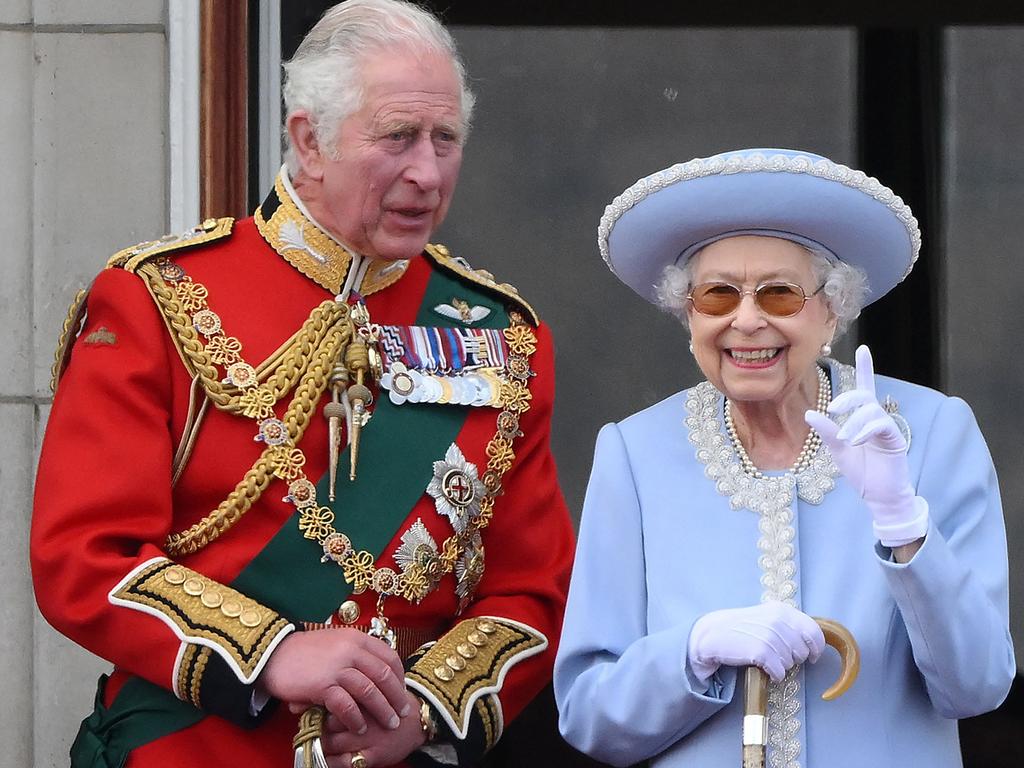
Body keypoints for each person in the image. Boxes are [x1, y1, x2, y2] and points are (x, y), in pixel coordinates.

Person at [31, 2, 575, 766]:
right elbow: (85, 555)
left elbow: (535, 596)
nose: (427, 170)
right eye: (397, 136)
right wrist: (269, 655)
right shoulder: (159, 298)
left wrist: (418, 711)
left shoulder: (502, 337)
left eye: (445, 139)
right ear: (308, 139)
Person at [553, 147, 1015, 767]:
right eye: (717, 295)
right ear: (688, 316)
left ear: (832, 310)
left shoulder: (933, 433)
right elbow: (589, 715)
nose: (746, 321)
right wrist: (691, 653)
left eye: (779, 295)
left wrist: (905, 526)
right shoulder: (634, 454)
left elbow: (979, 685)